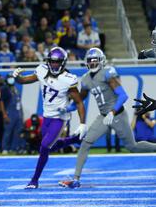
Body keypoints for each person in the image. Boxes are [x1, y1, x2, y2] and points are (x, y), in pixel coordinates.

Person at [59, 48, 156, 188]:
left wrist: (112, 112)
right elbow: (80, 99)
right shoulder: (86, 79)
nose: (92, 64)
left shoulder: (107, 73)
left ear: (101, 61)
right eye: (90, 62)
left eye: (95, 61)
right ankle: (76, 179)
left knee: (132, 146)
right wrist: (67, 108)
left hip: (118, 115)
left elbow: (123, 96)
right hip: (104, 117)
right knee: (86, 142)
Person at [13, 47, 87, 189]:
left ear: (63, 63)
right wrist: (17, 77)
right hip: (46, 116)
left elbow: (78, 102)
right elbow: (23, 81)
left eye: (57, 62)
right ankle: (73, 140)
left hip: (60, 118)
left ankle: (34, 180)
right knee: (48, 147)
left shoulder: (68, 79)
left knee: (44, 146)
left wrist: (82, 123)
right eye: (52, 62)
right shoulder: (41, 70)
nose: (54, 65)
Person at [2, 74, 25, 154]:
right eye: (9, 78)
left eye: (12, 78)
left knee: (18, 132)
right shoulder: (5, 89)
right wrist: (5, 114)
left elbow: (19, 101)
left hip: (18, 112)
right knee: (8, 131)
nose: (11, 80)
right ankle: (5, 148)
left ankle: (16, 148)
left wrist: (21, 114)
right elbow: (1, 102)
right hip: (10, 113)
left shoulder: (15, 88)